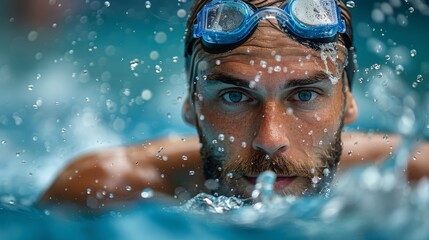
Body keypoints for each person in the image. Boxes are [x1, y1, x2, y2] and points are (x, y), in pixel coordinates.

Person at [38, 0, 429, 212]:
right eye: (235, 96)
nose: (269, 140)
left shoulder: (414, 180)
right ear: (192, 104)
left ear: (348, 101)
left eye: (305, 95)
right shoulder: (100, 191)